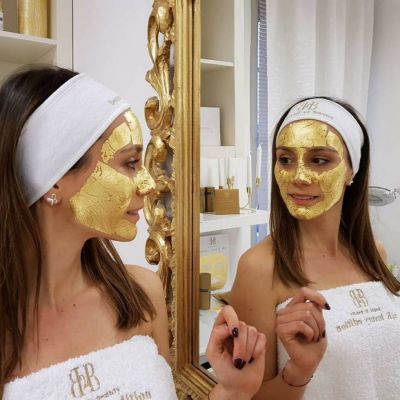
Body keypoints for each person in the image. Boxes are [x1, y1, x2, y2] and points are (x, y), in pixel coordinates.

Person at [0, 65, 266, 400]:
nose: (149, 183)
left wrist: (232, 390)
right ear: (54, 178)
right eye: (129, 164)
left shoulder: (141, 294)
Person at [231, 97, 400, 400]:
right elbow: (249, 395)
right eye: (285, 159)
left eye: (319, 160)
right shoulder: (259, 269)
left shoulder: (374, 254)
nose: (298, 176)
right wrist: (298, 370)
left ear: (351, 171)